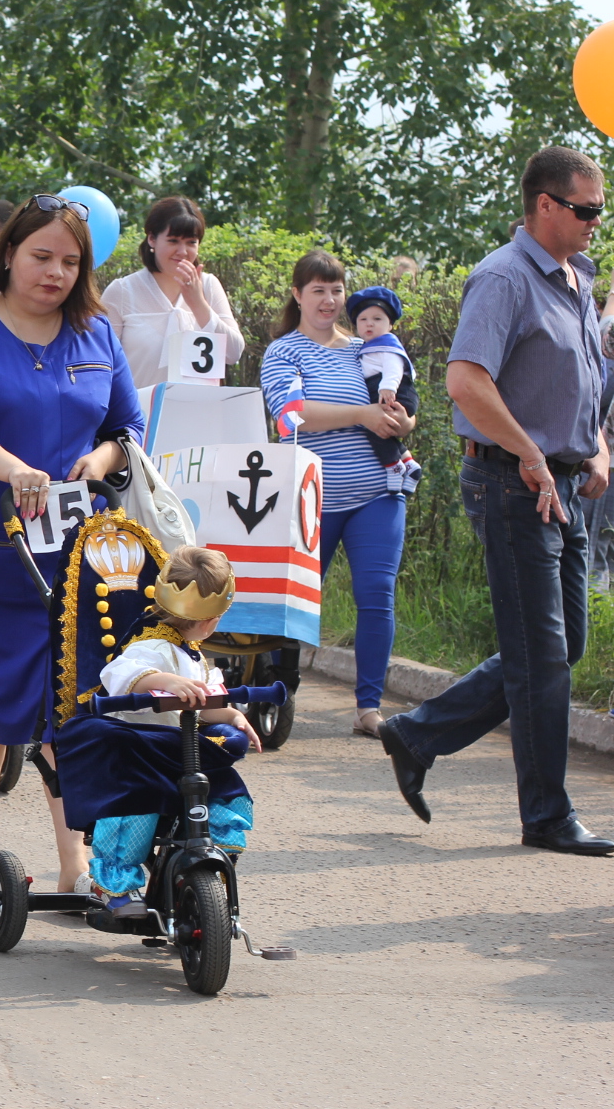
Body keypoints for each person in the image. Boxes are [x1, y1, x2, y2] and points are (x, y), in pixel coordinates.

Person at [380, 147, 614, 856]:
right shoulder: (504, 278)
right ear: (545, 205)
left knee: (561, 643)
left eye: (601, 212)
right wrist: (535, 453)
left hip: (563, 483)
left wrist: (594, 444)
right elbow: (465, 381)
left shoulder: (577, 276)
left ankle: (416, 732)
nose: (596, 224)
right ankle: (545, 815)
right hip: (513, 483)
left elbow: (584, 382)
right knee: (542, 655)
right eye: (585, 211)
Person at [0, 193, 141, 890]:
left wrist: (102, 462)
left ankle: (76, 856)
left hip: (78, 549)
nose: (54, 272)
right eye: (42, 256)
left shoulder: (97, 334)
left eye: (70, 261)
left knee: (72, 698)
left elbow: (129, 426)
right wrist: (11, 467)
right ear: (10, 251)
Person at [260, 250, 415, 737]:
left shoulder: (367, 346)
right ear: (297, 295)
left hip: (377, 494)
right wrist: (361, 415)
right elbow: (289, 416)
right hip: (311, 499)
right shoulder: (284, 352)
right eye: (318, 291)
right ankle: (274, 692)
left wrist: (403, 419)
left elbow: (402, 397)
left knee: (377, 597)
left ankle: (368, 707)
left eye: (336, 290)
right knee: (296, 601)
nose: (329, 300)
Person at [69, 547, 260, 918]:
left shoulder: (194, 657)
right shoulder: (152, 646)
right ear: (212, 621)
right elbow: (122, 676)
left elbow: (209, 702)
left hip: (179, 754)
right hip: (138, 754)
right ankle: (115, 886)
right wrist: (166, 682)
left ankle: (203, 866)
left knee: (222, 791)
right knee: (135, 813)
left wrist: (233, 715)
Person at [100, 196, 244, 389]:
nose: (182, 251)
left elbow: (234, 352)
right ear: (152, 239)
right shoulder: (123, 291)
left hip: (198, 413)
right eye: (173, 241)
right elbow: (101, 363)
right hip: (140, 415)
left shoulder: (209, 285)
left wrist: (198, 303)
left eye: (191, 242)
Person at [347, 285, 423, 491]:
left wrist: (387, 387)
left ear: (390, 325)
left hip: (395, 392)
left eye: (377, 319)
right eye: (363, 320)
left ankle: (393, 466)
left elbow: (394, 367)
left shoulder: (387, 344)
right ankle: (409, 463)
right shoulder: (366, 346)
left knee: (375, 428)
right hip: (383, 391)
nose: (369, 323)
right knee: (380, 429)